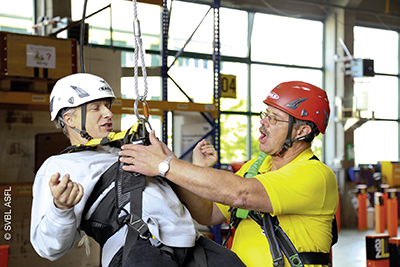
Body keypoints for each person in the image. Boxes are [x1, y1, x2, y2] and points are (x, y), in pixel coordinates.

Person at [30, 73, 246, 267]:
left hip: (191, 244)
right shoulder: (60, 167)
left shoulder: (134, 148)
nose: (107, 113)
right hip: (136, 250)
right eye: (96, 108)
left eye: (107, 106)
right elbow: (47, 247)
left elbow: (188, 200)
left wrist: (194, 168)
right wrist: (61, 209)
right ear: (69, 119)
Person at [120, 81, 339, 267]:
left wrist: (166, 165)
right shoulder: (257, 166)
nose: (263, 122)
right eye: (266, 114)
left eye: (274, 118)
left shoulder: (315, 175)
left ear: (302, 131)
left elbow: (241, 193)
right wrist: (175, 170)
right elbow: (209, 213)